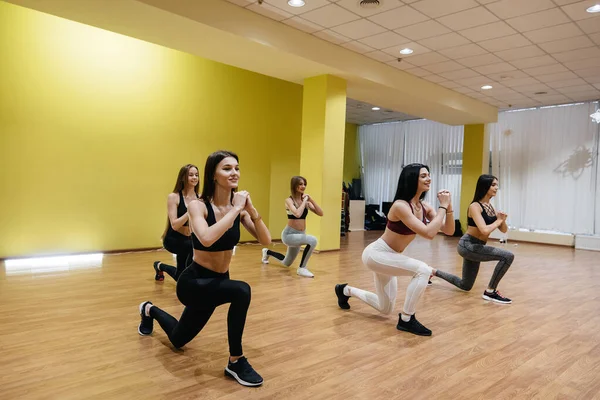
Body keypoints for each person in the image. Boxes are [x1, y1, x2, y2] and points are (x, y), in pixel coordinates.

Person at [138, 150, 271, 387]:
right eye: (227, 168)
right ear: (213, 175)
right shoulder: (198, 206)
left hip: (218, 282)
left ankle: (149, 310)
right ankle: (235, 361)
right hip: (194, 283)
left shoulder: (237, 209)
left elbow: (266, 241)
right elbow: (207, 238)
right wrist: (235, 210)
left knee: (179, 339)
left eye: (237, 168)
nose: (234, 173)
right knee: (242, 290)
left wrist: (250, 210)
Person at [334, 163, 454, 336]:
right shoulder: (400, 206)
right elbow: (429, 233)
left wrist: (448, 208)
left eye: (428, 175)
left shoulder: (425, 207)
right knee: (423, 270)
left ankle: (345, 290)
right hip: (376, 254)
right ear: (412, 179)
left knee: (385, 308)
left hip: (390, 257)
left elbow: (449, 231)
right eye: (423, 176)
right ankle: (406, 319)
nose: (429, 178)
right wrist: (443, 206)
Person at [434, 174, 514, 304]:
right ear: (485, 186)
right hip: (468, 245)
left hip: (478, 247)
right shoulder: (475, 206)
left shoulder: (491, 206)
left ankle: (433, 272)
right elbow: (484, 230)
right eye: (493, 185)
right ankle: (490, 291)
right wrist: (498, 220)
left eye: (497, 185)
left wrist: (502, 220)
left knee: (465, 285)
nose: (496, 188)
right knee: (508, 256)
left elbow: (504, 230)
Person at [261, 176, 323, 278]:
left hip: (300, 234)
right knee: (313, 240)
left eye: (304, 184)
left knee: (286, 263)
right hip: (289, 235)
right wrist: (304, 202)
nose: (303, 186)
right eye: (300, 184)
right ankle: (302, 268)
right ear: (294, 186)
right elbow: (297, 214)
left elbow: (320, 213)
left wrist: (311, 200)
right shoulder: (289, 201)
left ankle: (267, 252)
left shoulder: (306, 202)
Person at [153, 164, 199, 282]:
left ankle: (160, 266)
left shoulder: (201, 197)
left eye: (196, 175)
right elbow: (174, 225)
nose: (194, 177)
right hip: (173, 239)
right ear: (183, 177)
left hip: (189, 240)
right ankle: (161, 266)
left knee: (181, 276)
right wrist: (190, 210)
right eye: (191, 175)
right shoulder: (173, 197)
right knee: (191, 249)